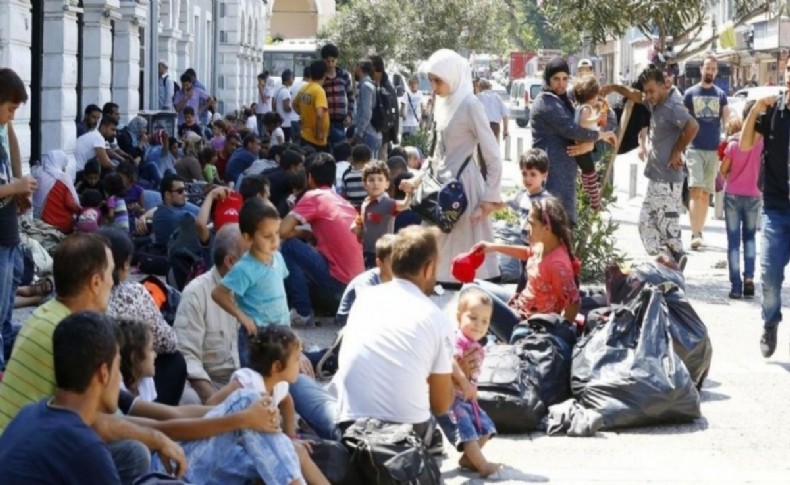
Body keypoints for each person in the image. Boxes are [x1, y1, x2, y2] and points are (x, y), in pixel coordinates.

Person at [0, 233, 184, 483]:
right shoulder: (70, 334)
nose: (114, 282)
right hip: (37, 447)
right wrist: (160, 437)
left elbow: (122, 412)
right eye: (110, 274)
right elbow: (103, 426)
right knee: (134, 451)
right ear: (96, 282)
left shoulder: (53, 316)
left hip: (26, 441)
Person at [334, 226, 455, 439]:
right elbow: (441, 405)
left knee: (307, 390)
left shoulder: (365, 298)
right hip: (406, 434)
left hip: (350, 429)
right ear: (428, 268)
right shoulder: (437, 318)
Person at [0, 311, 146, 484]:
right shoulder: (85, 449)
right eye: (117, 367)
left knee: (134, 453)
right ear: (104, 373)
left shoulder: (29, 412)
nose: (120, 378)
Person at [400, 49, 504, 285]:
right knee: (435, 258)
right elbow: (438, 152)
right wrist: (417, 181)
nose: (434, 86)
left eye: (438, 80)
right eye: (431, 80)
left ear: (453, 76)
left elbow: (492, 153)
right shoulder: (442, 104)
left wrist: (489, 198)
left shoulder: (470, 105)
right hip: (438, 190)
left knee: (467, 263)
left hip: (464, 190)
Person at [205, 326, 329, 485]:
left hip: (257, 445)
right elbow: (211, 406)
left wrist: (292, 436)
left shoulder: (279, 385)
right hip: (231, 447)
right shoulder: (247, 383)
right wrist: (237, 419)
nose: (300, 365)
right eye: (297, 359)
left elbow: (287, 402)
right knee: (293, 456)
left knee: (297, 452)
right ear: (277, 367)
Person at [604, 68, 699, 270]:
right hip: (656, 178)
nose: (648, 96)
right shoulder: (655, 102)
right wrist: (613, 88)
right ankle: (670, 261)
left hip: (668, 179)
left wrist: (677, 151)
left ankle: (674, 265)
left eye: (652, 91)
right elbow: (636, 95)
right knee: (646, 224)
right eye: (647, 91)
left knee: (667, 228)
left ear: (664, 85)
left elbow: (692, 126)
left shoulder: (673, 106)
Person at [466, 197, 581, 343]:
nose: (527, 227)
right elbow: (528, 253)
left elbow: (574, 302)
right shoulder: (544, 245)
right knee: (474, 285)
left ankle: (475, 342)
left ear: (547, 228)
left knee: (470, 290)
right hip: (519, 305)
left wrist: (560, 334)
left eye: (532, 224)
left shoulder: (557, 264)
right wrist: (491, 247)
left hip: (525, 327)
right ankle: (481, 339)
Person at [101, 228, 184, 405]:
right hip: (117, 379)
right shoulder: (132, 292)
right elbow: (168, 342)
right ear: (124, 264)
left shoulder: (79, 292)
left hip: (107, 376)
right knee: (174, 361)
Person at [739, 68, 790, 358]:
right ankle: (770, 322)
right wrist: (756, 108)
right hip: (775, 207)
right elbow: (746, 144)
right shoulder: (772, 112)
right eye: (788, 70)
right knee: (769, 276)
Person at [279, 153, 364, 324]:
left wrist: (303, 234)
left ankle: (302, 312)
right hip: (356, 286)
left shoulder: (314, 196)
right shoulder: (341, 201)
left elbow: (282, 230)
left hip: (339, 285)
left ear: (309, 178)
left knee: (289, 246)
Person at [530, 57, 616, 223]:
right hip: (551, 175)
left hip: (564, 176)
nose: (561, 84)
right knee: (551, 227)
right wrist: (602, 136)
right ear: (547, 78)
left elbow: (593, 115)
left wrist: (590, 144)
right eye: (556, 79)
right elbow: (573, 131)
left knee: (564, 229)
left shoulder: (562, 100)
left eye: (564, 79)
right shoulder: (546, 102)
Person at [212, 199, 290, 367]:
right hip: (256, 338)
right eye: (267, 236)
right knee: (254, 384)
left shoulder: (278, 257)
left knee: (279, 380)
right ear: (248, 237)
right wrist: (241, 316)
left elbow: (279, 292)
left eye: (277, 233)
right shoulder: (245, 268)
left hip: (280, 332)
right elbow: (218, 293)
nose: (275, 241)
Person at [176, 224, 246, 404]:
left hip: (249, 380)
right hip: (212, 382)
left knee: (297, 379)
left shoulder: (257, 286)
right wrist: (213, 401)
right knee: (187, 400)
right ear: (230, 262)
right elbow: (187, 355)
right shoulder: (196, 293)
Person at [437, 288, 500, 479]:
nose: (478, 325)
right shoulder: (458, 339)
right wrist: (464, 382)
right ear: (459, 316)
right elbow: (449, 360)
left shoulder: (475, 343)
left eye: (484, 321)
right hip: (451, 397)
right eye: (472, 318)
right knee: (466, 431)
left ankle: (468, 459)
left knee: (486, 428)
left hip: (466, 397)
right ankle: (482, 465)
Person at [0, 68, 35, 371]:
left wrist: (18, 191)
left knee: (6, 310)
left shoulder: (2, 132)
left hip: (8, 233)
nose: (12, 116)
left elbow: (10, 169)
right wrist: (15, 187)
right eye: (9, 109)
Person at [684, 55, 730, 250]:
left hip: (713, 150)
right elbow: (683, 122)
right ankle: (695, 233)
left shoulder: (721, 95)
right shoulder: (689, 94)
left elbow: (727, 120)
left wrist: (730, 137)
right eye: (707, 68)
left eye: (713, 68)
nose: (710, 71)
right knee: (695, 189)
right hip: (694, 148)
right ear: (701, 70)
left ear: (716, 71)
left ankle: (699, 231)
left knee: (705, 193)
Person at [720, 103, 762, 300]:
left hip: (733, 196)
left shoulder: (734, 144)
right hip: (754, 194)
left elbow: (723, 170)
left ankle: (736, 286)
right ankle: (749, 280)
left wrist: (730, 174)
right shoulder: (763, 143)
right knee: (751, 239)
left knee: (734, 242)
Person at [351, 160, 411, 268]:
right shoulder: (365, 202)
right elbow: (362, 217)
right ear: (365, 184)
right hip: (366, 251)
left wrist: (409, 193)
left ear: (387, 184)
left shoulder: (387, 203)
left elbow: (404, 205)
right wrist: (357, 224)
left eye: (380, 179)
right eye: (371, 179)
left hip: (383, 254)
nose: (375, 183)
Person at [335, 233, 395, 326]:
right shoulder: (367, 280)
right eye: (392, 262)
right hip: (350, 318)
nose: (398, 266)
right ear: (379, 263)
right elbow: (365, 304)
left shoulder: (400, 277)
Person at [572, 75, 609, 211]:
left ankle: (588, 197)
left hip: (584, 145)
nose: (597, 98)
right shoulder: (586, 108)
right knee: (591, 174)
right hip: (583, 145)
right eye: (595, 95)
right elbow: (584, 122)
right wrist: (596, 117)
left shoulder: (581, 107)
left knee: (587, 173)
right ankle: (595, 202)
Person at [32, 149, 81, 234]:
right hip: (63, 225)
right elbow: (72, 204)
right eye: (63, 166)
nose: (64, 169)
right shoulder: (63, 179)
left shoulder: (38, 176)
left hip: (41, 223)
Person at [320, 43, 355, 148]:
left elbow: (351, 98)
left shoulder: (344, 75)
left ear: (336, 60)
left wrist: (349, 115)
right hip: (324, 122)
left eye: (332, 61)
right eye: (327, 61)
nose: (330, 64)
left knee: (340, 151)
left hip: (340, 122)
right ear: (323, 61)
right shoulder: (321, 76)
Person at [117, 318, 158, 402]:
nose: (155, 355)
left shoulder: (146, 379)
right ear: (134, 358)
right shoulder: (118, 388)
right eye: (151, 349)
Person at [294, 60, 330, 152]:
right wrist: (319, 132)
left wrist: (304, 114)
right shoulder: (319, 91)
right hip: (315, 140)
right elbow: (319, 114)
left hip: (305, 135)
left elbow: (294, 105)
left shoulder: (304, 88)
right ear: (325, 74)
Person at [353, 60, 382, 158]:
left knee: (368, 168)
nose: (354, 70)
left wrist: (359, 133)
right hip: (372, 133)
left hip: (368, 134)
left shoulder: (366, 86)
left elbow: (366, 113)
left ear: (360, 69)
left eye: (356, 68)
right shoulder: (370, 84)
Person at [341, 144, 372, 209]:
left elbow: (343, 192)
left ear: (352, 158)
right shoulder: (370, 173)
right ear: (369, 159)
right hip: (368, 207)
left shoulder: (347, 174)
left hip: (351, 208)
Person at [275, 69, 297, 142]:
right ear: (289, 78)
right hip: (286, 123)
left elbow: (274, 105)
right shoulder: (285, 92)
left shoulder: (278, 89)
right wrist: (294, 107)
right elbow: (286, 108)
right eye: (292, 78)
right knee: (286, 143)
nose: (293, 80)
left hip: (279, 121)